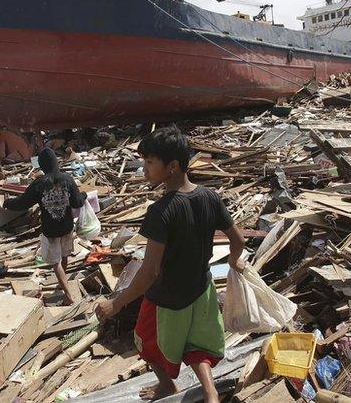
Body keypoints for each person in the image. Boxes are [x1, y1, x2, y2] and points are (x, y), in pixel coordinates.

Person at [94, 126, 246, 403]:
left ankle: (166, 385)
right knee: (197, 345)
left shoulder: (160, 212)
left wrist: (116, 303)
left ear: (172, 166)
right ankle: (211, 395)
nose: (144, 169)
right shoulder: (210, 197)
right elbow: (238, 240)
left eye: (150, 163)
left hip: (166, 298)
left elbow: (150, 272)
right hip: (201, 290)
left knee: (145, 341)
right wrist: (235, 261)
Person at [2, 147, 86, 304]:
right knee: (64, 256)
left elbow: (22, 203)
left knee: (56, 263)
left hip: (51, 229)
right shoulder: (67, 179)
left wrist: (7, 203)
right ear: (56, 162)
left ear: (42, 165)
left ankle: (68, 295)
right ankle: (64, 284)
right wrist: (84, 195)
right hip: (67, 226)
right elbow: (77, 202)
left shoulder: (38, 184)